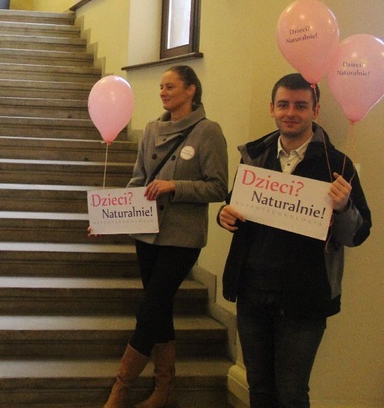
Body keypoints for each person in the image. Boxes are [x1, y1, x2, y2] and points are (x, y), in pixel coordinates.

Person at [217, 73, 371, 408]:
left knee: (291, 394)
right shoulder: (254, 155)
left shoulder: (337, 164)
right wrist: (223, 216)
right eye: (284, 104)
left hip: (305, 297)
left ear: (315, 111)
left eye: (301, 106)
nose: (291, 112)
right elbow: (235, 207)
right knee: (258, 387)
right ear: (271, 108)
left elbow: (357, 235)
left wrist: (344, 206)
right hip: (252, 290)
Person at [104, 65, 228, 408]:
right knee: (160, 309)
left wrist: (176, 186)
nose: (162, 92)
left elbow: (218, 186)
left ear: (190, 90)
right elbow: (138, 179)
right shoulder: (151, 129)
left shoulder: (208, 131)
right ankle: (165, 388)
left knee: (150, 308)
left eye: (170, 86)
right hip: (146, 234)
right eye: (160, 86)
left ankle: (120, 388)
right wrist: (108, 216)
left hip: (182, 237)